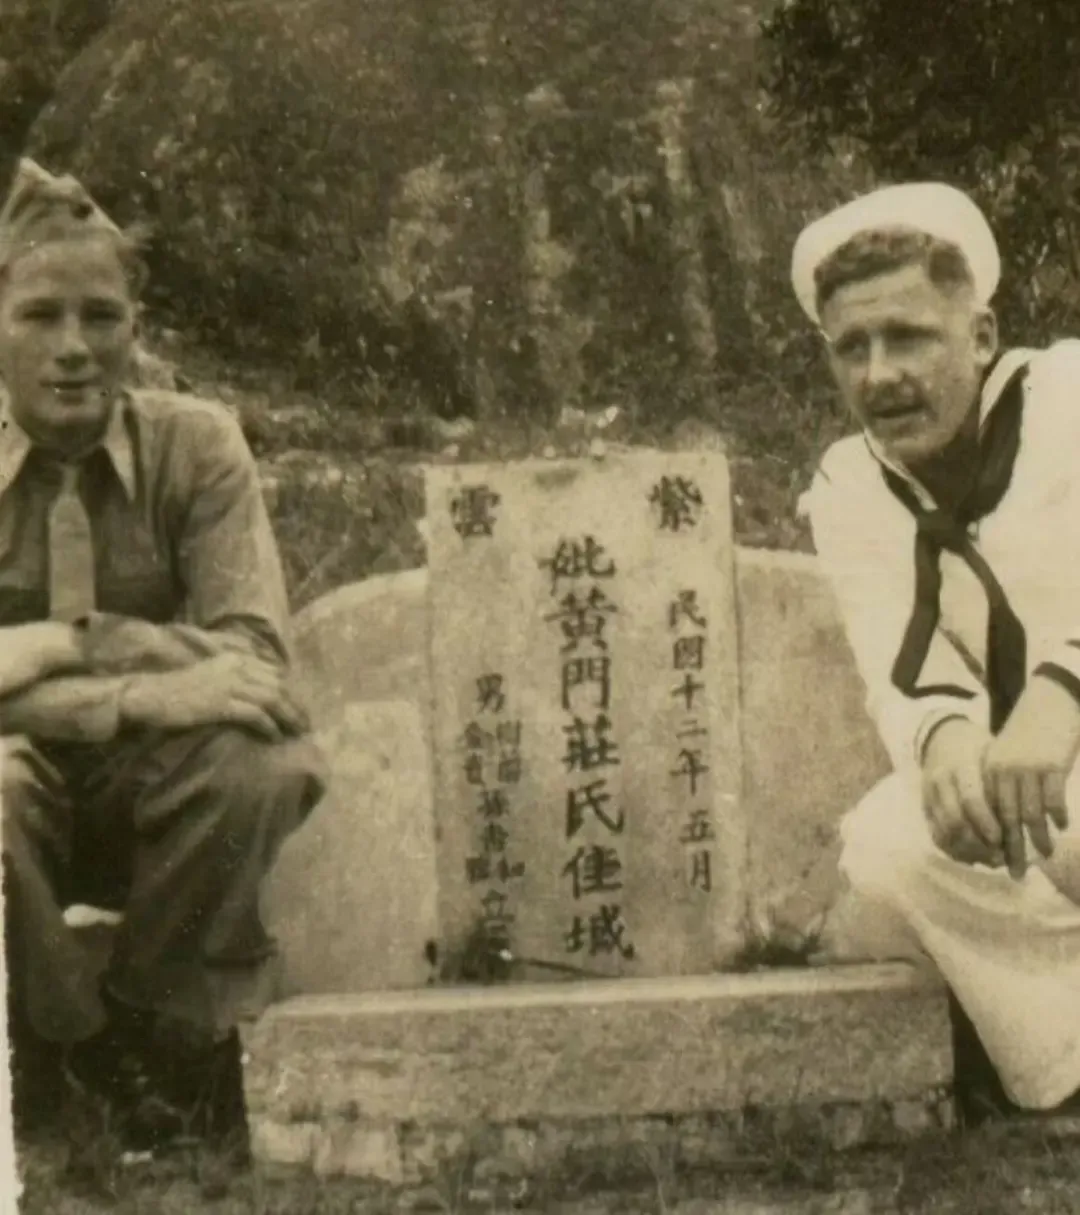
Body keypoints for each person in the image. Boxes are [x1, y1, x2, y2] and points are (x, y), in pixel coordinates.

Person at [0, 160, 326, 1146]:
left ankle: (150, 1032)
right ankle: (60, 1044)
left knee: (262, 758)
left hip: (150, 800)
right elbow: (197, 671)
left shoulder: (198, 446)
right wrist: (136, 686)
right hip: (21, 793)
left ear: (135, 329)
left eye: (101, 317)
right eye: (39, 315)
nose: (73, 349)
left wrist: (52, 651)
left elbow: (253, 660)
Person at [794, 182, 1080, 1125]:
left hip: (1064, 748)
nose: (880, 376)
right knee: (889, 839)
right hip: (1047, 791)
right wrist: (947, 742)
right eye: (853, 347)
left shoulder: (1069, 397)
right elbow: (894, 653)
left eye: (909, 337)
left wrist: (1062, 688)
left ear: (982, 334)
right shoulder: (850, 484)